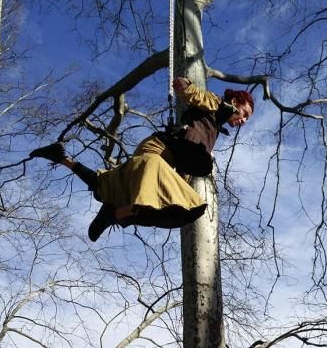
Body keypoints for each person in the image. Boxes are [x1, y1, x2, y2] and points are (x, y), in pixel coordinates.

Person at [30, 77, 254, 242]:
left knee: (163, 204)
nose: (243, 120)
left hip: (173, 160)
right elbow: (198, 96)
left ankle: (62, 158)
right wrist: (185, 86)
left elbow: (186, 164)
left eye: (246, 118)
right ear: (235, 101)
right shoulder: (217, 104)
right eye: (244, 113)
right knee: (140, 185)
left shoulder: (213, 128)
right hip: (159, 148)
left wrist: (181, 186)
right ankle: (112, 212)